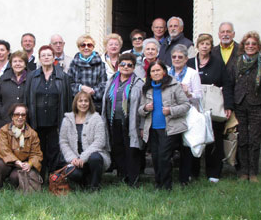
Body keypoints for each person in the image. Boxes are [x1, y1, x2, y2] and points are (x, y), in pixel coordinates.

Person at [231, 31, 261, 182]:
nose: (250, 46)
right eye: (247, 44)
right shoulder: (236, 63)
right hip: (240, 104)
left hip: (258, 105)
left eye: (253, 44)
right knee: (243, 139)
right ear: (243, 46)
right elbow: (230, 83)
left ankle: (253, 173)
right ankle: (243, 171)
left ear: (258, 47)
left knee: (254, 140)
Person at [186, 33, 233, 183]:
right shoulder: (190, 62)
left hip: (213, 106)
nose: (204, 46)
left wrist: (228, 105)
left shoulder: (218, 63)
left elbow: (227, 85)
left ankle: (213, 173)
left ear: (210, 46)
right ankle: (193, 171)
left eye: (207, 44)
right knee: (194, 136)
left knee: (215, 138)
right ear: (197, 46)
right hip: (194, 106)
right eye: (202, 44)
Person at [138, 60, 190, 190]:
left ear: (164, 72)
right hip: (152, 128)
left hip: (169, 128)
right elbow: (140, 110)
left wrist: (171, 110)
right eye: (153, 71)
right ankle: (158, 183)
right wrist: (145, 108)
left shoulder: (174, 85)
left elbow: (186, 105)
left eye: (158, 70)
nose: (156, 73)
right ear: (149, 75)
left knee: (164, 157)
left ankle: (166, 186)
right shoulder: (146, 89)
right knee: (155, 157)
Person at [25, 45, 72, 178]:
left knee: (54, 151)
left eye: (49, 55)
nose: (46, 57)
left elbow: (67, 101)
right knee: (38, 151)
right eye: (43, 55)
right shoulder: (32, 77)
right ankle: (38, 178)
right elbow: (27, 99)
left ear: (53, 58)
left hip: (55, 121)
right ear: (39, 58)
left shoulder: (63, 77)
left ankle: (53, 179)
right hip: (36, 121)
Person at [101, 53, 144, 186]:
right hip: (113, 120)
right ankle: (122, 176)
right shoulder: (112, 80)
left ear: (134, 67)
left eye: (129, 65)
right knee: (117, 148)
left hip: (131, 122)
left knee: (131, 150)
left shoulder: (138, 83)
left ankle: (133, 179)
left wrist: (141, 126)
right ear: (117, 66)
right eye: (122, 64)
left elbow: (142, 105)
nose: (126, 67)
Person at [59, 92, 111, 190]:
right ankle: (85, 182)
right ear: (76, 103)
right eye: (80, 101)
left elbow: (100, 141)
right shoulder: (67, 119)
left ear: (90, 103)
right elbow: (63, 141)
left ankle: (94, 186)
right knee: (74, 174)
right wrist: (72, 158)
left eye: (86, 101)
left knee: (95, 158)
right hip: (75, 158)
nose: (83, 103)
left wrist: (83, 158)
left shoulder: (97, 118)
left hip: (92, 157)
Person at [168, 44, 202, 185]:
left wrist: (188, 93)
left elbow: (199, 95)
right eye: (174, 57)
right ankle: (168, 176)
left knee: (186, 146)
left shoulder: (192, 73)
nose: (176, 59)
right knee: (170, 145)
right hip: (171, 114)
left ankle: (185, 177)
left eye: (180, 57)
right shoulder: (168, 72)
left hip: (188, 114)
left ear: (186, 59)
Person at [0, 103, 43, 189]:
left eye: (23, 115)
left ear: (25, 117)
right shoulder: (4, 130)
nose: (20, 117)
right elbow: (3, 149)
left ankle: (14, 184)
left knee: (15, 177)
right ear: (12, 116)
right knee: (0, 165)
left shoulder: (32, 134)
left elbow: (37, 154)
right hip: (9, 162)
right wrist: (17, 162)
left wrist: (29, 164)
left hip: (23, 164)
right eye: (17, 114)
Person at [68, 35, 107, 112]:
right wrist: (81, 88)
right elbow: (69, 83)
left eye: (89, 45)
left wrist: (92, 91)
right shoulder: (73, 63)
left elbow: (104, 84)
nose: (86, 47)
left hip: (95, 104)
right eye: (83, 45)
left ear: (93, 47)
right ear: (79, 47)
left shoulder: (100, 64)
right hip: (78, 103)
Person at [0, 50, 28, 128]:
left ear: (25, 64)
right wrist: (0, 111)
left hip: (26, 121)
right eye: (15, 61)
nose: (17, 64)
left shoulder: (31, 78)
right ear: (11, 64)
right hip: (6, 120)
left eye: (20, 61)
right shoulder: (4, 77)